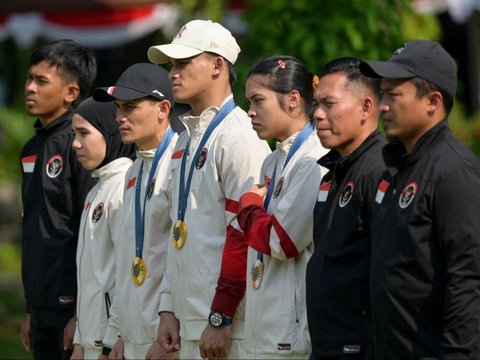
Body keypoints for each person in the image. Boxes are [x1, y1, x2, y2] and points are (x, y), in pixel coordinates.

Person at [147, 19, 271, 359]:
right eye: (171, 65)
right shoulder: (185, 138)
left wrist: (222, 315)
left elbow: (246, 233)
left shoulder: (241, 135)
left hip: (231, 329)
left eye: (184, 63)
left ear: (218, 65)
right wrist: (169, 308)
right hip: (191, 325)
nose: (173, 72)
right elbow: (178, 232)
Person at [360, 39, 480, 358]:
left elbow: (468, 278)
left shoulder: (454, 171)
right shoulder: (396, 169)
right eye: (382, 93)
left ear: (432, 101)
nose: (383, 105)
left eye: (393, 95)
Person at [237, 55, 326, 359]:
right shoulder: (271, 160)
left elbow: (282, 241)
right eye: (249, 102)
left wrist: (247, 206)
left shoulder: (314, 159)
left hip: (293, 336)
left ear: (292, 100)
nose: (250, 112)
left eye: (258, 101)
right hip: (263, 330)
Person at [91, 62, 178, 359]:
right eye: (118, 108)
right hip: (134, 338)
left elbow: (184, 258)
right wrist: (117, 336)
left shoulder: (179, 162)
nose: (120, 117)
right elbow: (128, 260)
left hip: (168, 338)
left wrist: (170, 331)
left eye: (129, 107)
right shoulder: (133, 171)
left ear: (163, 109)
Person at [19, 39, 97, 359]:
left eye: (41, 81)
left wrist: (83, 310)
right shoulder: (31, 149)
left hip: (72, 309)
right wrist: (30, 310)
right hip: (40, 308)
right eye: (29, 78)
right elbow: (34, 228)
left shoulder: (81, 146)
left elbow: (89, 230)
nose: (30, 88)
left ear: (71, 92)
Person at [306, 57, 384, 359]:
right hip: (328, 345)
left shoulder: (378, 172)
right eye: (316, 105)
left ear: (366, 107)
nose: (318, 115)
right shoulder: (334, 172)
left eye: (329, 104)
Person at [69, 98, 135, 359]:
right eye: (75, 134)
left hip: (111, 346)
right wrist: (80, 341)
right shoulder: (97, 189)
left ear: (110, 131)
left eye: (83, 133)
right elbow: (92, 276)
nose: (75, 143)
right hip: (91, 341)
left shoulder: (123, 187)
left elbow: (126, 273)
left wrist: (111, 341)